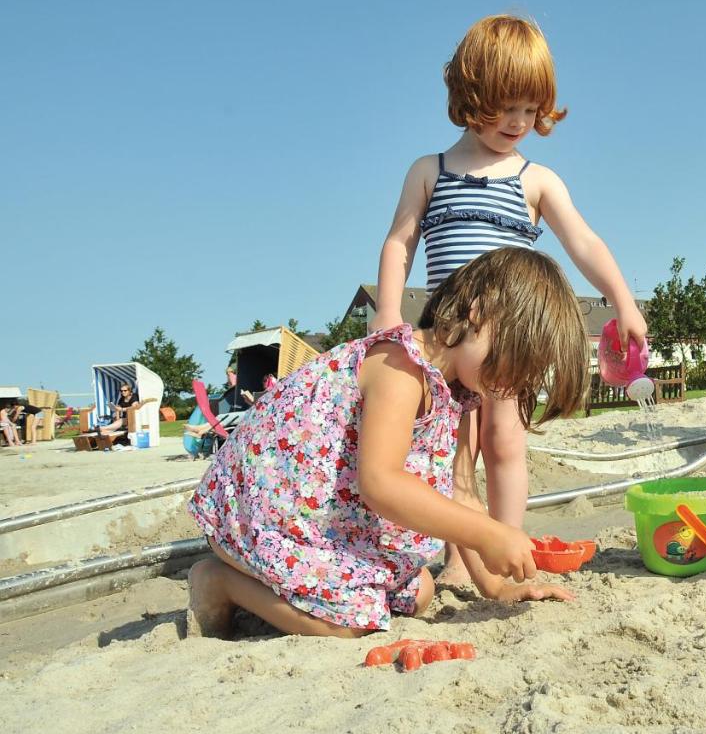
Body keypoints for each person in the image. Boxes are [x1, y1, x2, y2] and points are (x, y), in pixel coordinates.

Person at [185, 248, 589, 638]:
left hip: (330, 525)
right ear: (478, 312)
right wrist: (488, 534)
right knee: (352, 622)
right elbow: (380, 482)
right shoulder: (400, 367)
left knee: (420, 592)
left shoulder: (459, 394)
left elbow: (461, 493)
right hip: (264, 515)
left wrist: (495, 587)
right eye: (519, 359)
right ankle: (220, 583)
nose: (517, 381)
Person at [370, 14, 646, 584]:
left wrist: (622, 299)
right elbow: (400, 242)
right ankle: (458, 557)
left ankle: (507, 544)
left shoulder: (534, 180)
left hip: (509, 342)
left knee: (504, 441)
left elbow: (584, 242)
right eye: (504, 108)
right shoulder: (431, 170)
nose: (518, 122)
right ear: (470, 97)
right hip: (449, 341)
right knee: (449, 451)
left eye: (530, 109)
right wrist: (388, 315)